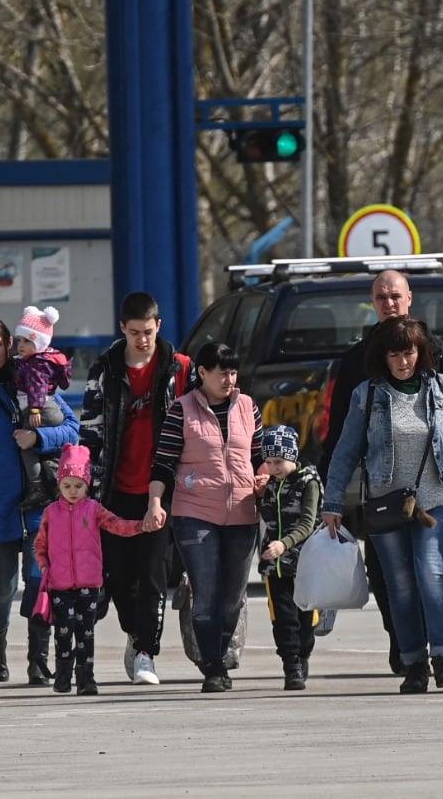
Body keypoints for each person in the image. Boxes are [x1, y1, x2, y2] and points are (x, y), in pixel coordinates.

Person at [320, 269, 443, 676]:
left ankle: (442, 658)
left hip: (435, 497)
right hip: (384, 501)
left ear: (409, 298)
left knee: (431, 572)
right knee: (396, 583)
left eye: (395, 295)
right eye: (381, 297)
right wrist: (332, 500)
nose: (402, 359)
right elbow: (342, 446)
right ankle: (410, 658)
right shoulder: (362, 381)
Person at [0, 316, 80, 685]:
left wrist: (39, 440)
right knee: (4, 583)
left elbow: (73, 429)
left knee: (39, 580)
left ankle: (38, 660)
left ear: (10, 342)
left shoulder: (38, 378)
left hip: (41, 501)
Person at [80, 291, 191, 686]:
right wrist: (86, 490)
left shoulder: (179, 369)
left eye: (148, 331)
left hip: (161, 489)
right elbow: (90, 429)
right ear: (122, 329)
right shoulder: (105, 369)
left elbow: (200, 424)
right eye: (134, 333)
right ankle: (135, 633)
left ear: (158, 326)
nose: (142, 340)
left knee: (154, 574)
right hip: (115, 489)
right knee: (118, 577)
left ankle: (147, 652)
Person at [147, 341, 264, 694]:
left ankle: (218, 650)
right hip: (194, 513)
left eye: (232, 371)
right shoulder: (181, 410)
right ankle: (213, 666)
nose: (228, 379)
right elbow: (163, 463)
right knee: (207, 593)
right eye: (220, 372)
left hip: (243, 513)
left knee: (232, 597)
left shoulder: (248, 408)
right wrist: (155, 502)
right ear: (202, 373)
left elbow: (260, 455)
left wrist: (264, 476)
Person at [33, 444, 160, 695]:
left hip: (89, 584)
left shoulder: (93, 509)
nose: (72, 491)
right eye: (67, 486)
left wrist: (140, 527)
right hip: (59, 584)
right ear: (59, 484)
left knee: (86, 632)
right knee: (63, 631)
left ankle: (86, 678)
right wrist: (46, 567)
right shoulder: (51, 513)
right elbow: (40, 544)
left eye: (78, 486)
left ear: (87, 485)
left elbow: (117, 525)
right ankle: (63, 673)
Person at [256, 424, 322, 691]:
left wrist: (284, 544)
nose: (274, 468)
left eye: (279, 461)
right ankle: (291, 666)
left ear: (293, 456)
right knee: (283, 620)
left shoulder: (309, 482)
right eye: (269, 463)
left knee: (305, 620)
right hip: (275, 566)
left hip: (305, 562)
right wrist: (259, 495)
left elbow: (308, 523)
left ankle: (303, 655)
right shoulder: (272, 484)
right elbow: (268, 517)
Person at [12, 305, 73, 510]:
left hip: (41, 409)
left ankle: (37, 487)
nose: (20, 345)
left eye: (27, 341)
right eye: (19, 340)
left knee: (26, 447)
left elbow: (37, 385)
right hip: (51, 407)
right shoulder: (44, 359)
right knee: (45, 452)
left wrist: (35, 409)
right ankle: (55, 482)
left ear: (39, 342)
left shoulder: (35, 364)